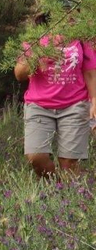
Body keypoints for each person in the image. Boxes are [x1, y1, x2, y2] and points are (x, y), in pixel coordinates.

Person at [13, 10, 96, 179]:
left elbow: (90, 73)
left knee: (69, 162)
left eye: (72, 13)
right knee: (36, 157)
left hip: (75, 104)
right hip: (39, 105)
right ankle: (56, 185)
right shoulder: (35, 38)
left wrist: (94, 100)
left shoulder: (81, 39)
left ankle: (69, 198)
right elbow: (19, 74)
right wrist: (38, 55)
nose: (69, 17)